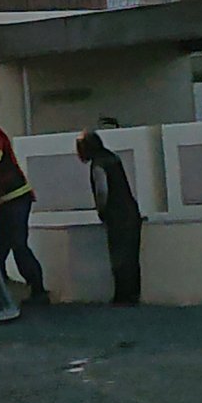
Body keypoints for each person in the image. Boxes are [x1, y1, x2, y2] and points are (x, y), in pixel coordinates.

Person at [77, 130, 143, 305]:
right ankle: (133, 294)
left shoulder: (98, 164)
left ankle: (122, 296)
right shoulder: (113, 158)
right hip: (131, 210)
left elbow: (102, 191)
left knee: (119, 255)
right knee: (131, 255)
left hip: (116, 214)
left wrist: (101, 210)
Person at [0, 124, 47, 305]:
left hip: (15, 198)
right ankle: (1, 292)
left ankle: (38, 291)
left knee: (17, 244)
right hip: (8, 200)